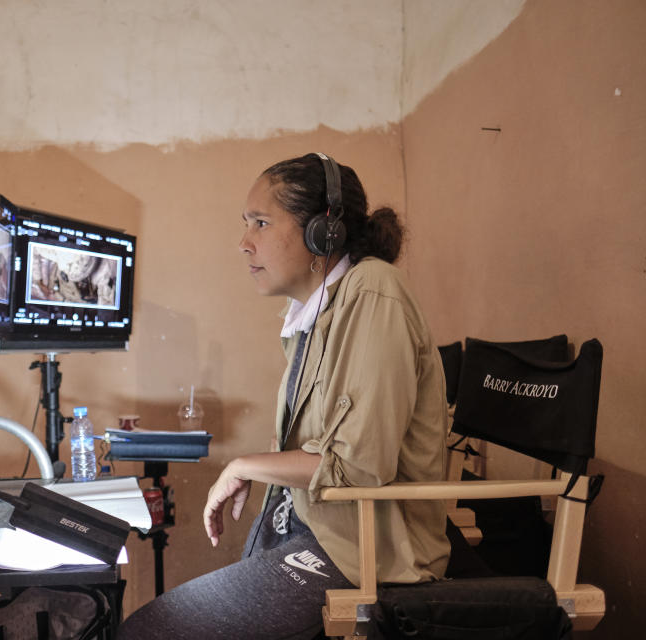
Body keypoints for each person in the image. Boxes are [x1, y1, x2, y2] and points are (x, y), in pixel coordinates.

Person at [117, 154, 450, 639]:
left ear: (323, 232)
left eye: (261, 223)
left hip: (365, 553)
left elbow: (360, 467)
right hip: (323, 530)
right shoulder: (315, 314)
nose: (243, 242)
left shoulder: (375, 293)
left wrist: (244, 465)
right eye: (245, 224)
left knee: (148, 632)